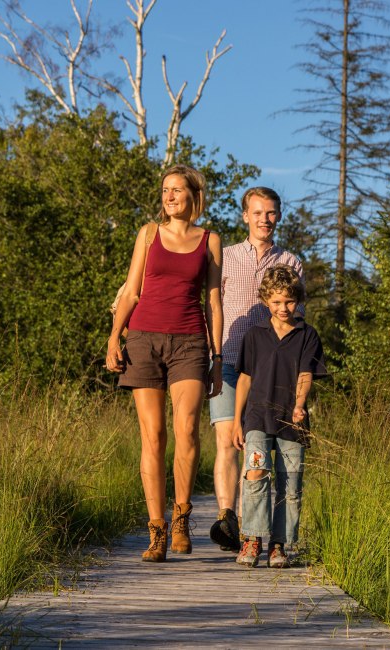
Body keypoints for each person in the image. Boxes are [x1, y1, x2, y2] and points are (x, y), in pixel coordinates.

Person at [106, 164, 223, 563]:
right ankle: (156, 530)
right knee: (153, 436)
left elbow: (213, 302)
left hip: (190, 342)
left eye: (177, 190)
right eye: (165, 190)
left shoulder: (210, 240)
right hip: (142, 338)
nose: (169, 196)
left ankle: (181, 518)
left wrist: (218, 357)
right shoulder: (148, 234)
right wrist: (112, 338)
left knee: (187, 430)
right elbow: (131, 290)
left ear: (194, 196)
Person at [208, 187, 303, 552]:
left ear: (278, 216)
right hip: (228, 362)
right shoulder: (226, 258)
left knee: (260, 447)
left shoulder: (291, 262)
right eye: (258, 212)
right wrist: (212, 356)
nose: (265, 219)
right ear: (245, 215)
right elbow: (211, 305)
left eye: (272, 213)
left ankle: (254, 530)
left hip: (271, 371)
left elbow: (297, 320)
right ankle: (228, 519)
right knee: (227, 442)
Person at [232, 265, 327, 568]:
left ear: (297, 300)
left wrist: (300, 404)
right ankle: (252, 539)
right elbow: (245, 378)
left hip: (291, 422)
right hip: (257, 418)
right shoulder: (255, 335)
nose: (283, 308)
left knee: (291, 484)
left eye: (289, 301)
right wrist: (237, 421)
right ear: (265, 301)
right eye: (276, 302)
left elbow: (305, 373)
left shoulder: (306, 335)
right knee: (256, 473)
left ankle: (279, 544)